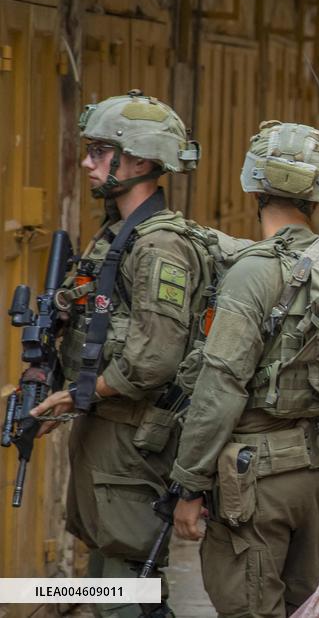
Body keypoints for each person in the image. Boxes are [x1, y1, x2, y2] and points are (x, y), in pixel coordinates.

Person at [170, 121, 319, 617]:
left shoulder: (253, 272)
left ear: (252, 182)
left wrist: (189, 485)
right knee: (315, 607)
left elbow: (220, 385)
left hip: (257, 483)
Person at [29, 90, 204, 617]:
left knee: (130, 586)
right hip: (108, 436)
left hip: (132, 443)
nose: (87, 162)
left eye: (100, 151)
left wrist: (78, 394)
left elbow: (154, 359)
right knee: (106, 578)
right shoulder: (119, 234)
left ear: (141, 160)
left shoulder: (159, 246)